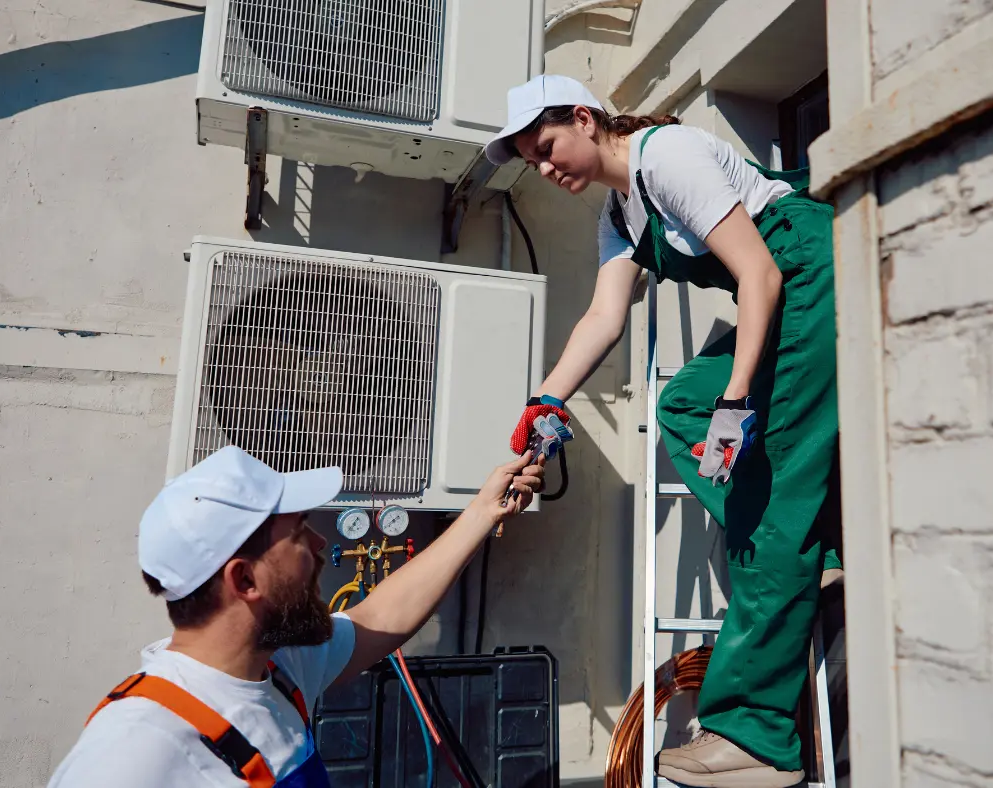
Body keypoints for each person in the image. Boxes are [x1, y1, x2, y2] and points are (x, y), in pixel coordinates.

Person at [487, 75, 841, 788]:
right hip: (777, 293)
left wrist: (737, 401)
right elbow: (602, 319)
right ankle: (810, 543)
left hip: (806, 274)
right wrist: (546, 402)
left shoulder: (667, 156)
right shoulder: (618, 220)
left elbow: (760, 274)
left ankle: (757, 739)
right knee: (684, 406)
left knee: (764, 509)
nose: (547, 168)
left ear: (585, 119)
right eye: (532, 161)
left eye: (548, 147)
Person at [47, 445, 543, 787]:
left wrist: (479, 513)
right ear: (245, 581)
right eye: (300, 530)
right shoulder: (136, 749)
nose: (321, 544)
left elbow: (378, 616)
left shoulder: (277, 668)